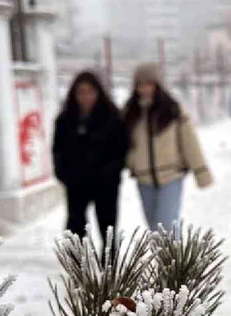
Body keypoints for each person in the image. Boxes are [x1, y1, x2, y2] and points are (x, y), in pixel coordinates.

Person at [123, 63, 213, 232]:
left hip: (171, 176)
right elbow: (122, 144)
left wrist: (201, 172)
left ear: (157, 85)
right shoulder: (130, 113)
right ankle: (164, 251)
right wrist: (130, 163)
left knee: (167, 226)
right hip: (144, 179)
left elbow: (190, 142)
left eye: (149, 84)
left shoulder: (172, 111)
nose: (145, 89)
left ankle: (175, 251)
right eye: (140, 85)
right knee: (154, 228)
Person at [53, 71, 128, 240]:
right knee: (75, 228)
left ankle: (109, 258)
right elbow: (58, 149)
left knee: (108, 231)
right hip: (76, 183)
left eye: (90, 92)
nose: (86, 97)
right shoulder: (65, 120)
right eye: (81, 92)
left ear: (98, 92)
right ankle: (78, 257)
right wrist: (63, 173)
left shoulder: (112, 117)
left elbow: (122, 149)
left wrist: (111, 171)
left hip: (106, 183)